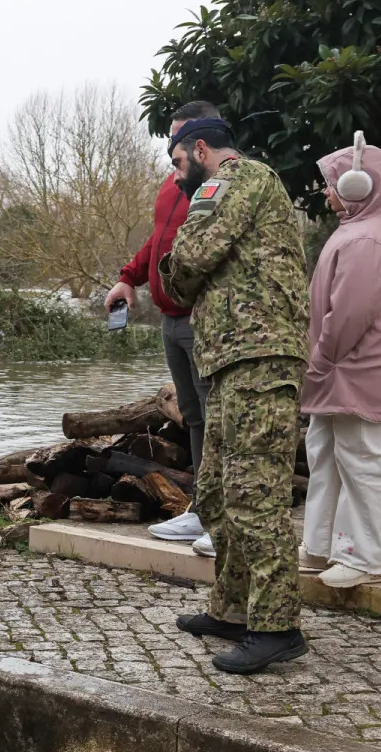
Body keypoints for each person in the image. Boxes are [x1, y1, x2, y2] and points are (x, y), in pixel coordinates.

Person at [159, 117, 311, 674]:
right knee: (220, 492)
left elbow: (187, 265)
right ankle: (231, 609)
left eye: (178, 162)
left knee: (255, 492)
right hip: (229, 357)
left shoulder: (236, 179)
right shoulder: (222, 186)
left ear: (201, 149)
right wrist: (174, 272)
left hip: (260, 355)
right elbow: (179, 277)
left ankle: (277, 627)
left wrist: (173, 266)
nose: (177, 175)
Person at [106, 100, 221, 546]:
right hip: (170, 319)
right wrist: (128, 277)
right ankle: (202, 509)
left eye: (183, 138)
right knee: (194, 417)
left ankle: (223, 519)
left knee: (218, 416)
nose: (177, 148)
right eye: (172, 140)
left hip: (203, 317)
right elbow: (160, 237)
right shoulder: (174, 184)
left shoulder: (221, 186)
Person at [301, 135, 381, 589]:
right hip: (341, 367)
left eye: (331, 183)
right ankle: (322, 544)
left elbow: (350, 313)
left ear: (357, 185)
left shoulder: (366, 237)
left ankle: (367, 557)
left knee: (360, 457)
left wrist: (320, 359)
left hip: (354, 367)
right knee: (324, 451)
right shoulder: (357, 229)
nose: (325, 191)